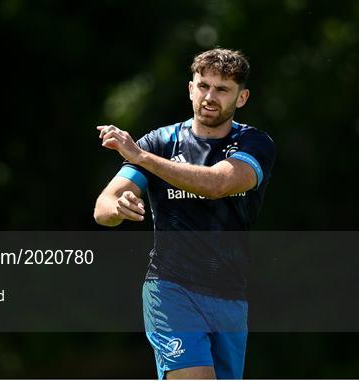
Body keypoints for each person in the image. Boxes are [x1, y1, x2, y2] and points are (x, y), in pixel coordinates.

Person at [93, 48, 275, 379]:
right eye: (203, 86)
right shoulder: (160, 142)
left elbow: (219, 183)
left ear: (242, 97)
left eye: (222, 90)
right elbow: (103, 206)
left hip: (230, 296)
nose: (210, 97)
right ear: (190, 88)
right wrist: (117, 207)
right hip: (170, 288)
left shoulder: (254, 143)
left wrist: (142, 158)